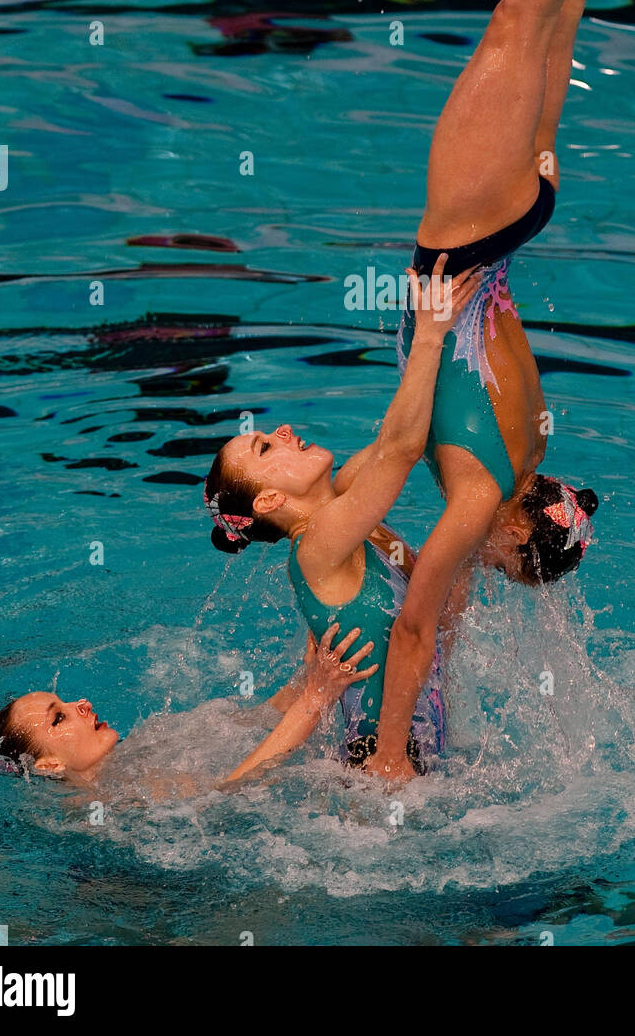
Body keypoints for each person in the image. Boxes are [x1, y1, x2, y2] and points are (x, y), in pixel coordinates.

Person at [363, 0, 626, 783]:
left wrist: (376, 544)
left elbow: (436, 595)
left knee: (561, 6)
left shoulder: (510, 465)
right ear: (512, 543)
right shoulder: (478, 497)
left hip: (515, 225)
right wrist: (386, 761)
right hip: (464, 234)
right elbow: (417, 634)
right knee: (524, 12)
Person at [203, 257, 478, 773]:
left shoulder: (350, 508)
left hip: (418, 757)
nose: (283, 430)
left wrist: (428, 320)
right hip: (380, 767)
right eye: (266, 448)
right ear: (268, 503)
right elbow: (399, 448)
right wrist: (430, 337)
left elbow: (403, 434)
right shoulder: (318, 547)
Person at [0, 622, 376, 792]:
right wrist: (316, 699)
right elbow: (233, 789)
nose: (81, 703)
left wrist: (308, 676)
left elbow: (257, 719)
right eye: (59, 716)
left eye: (64, 700)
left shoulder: (150, 739)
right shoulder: (112, 808)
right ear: (48, 765)